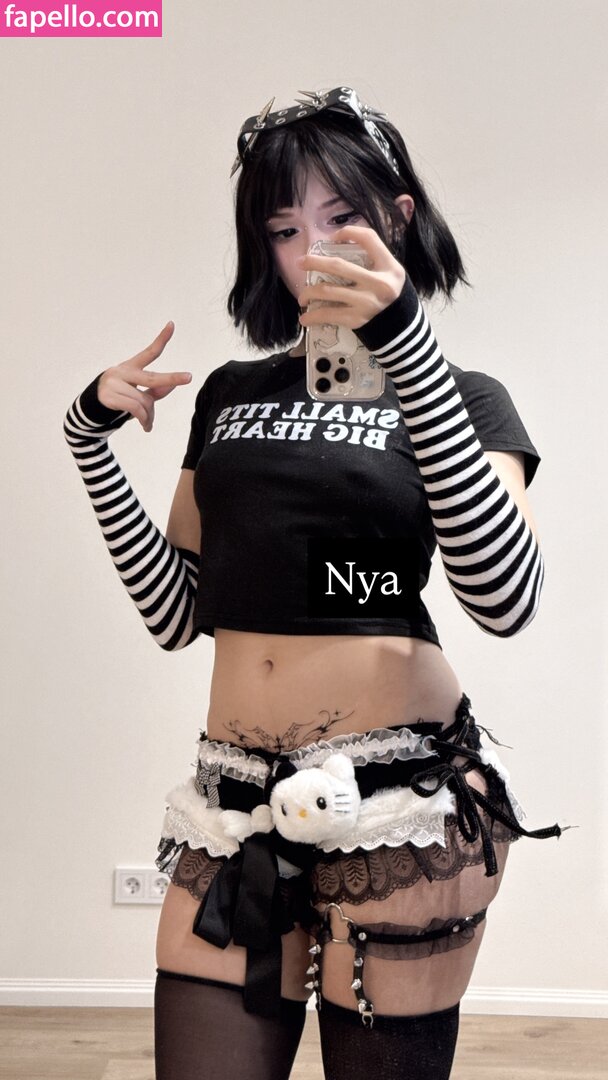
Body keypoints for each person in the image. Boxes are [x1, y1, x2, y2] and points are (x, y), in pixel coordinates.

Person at [64, 87, 562, 1080]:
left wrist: (405, 345)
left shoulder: (466, 397)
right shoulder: (230, 393)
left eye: (340, 218)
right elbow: (178, 612)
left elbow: (505, 596)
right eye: (285, 229)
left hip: (398, 797)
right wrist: (88, 443)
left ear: (397, 219)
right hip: (235, 799)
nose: (311, 250)